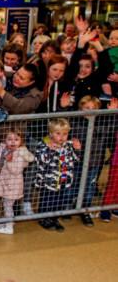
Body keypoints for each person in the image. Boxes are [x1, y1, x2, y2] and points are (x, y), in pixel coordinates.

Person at [67, 96, 118, 227]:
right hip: (76, 162)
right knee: (72, 185)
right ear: (80, 109)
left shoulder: (101, 123)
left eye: (94, 109)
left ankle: (85, 211)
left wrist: (112, 112)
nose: (90, 111)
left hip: (93, 163)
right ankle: (68, 208)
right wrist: (64, 107)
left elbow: (112, 130)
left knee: (89, 188)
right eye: (87, 108)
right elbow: (64, 124)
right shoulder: (75, 122)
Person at [0, 128, 34, 234]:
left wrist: (9, 162)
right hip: (4, 182)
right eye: (9, 139)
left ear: (21, 141)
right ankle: (8, 221)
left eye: (16, 139)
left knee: (8, 205)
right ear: (5, 140)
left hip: (13, 184)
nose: (13, 142)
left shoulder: (20, 154)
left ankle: (9, 227)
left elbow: (16, 170)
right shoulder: (5, 150)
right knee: (6, 204)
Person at [34, 118, 81, 232]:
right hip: (49, 182)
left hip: (64, 180)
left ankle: (54, 218)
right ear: (51, 133)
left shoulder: (67, 145)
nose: (61, 137)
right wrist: (51, 150)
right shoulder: (44, 144)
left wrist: (77, 149)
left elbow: (75, 159)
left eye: (65, 134)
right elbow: (41, 162)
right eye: (58, 133)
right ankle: (44, 218)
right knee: (47, 201)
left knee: (59, 202)